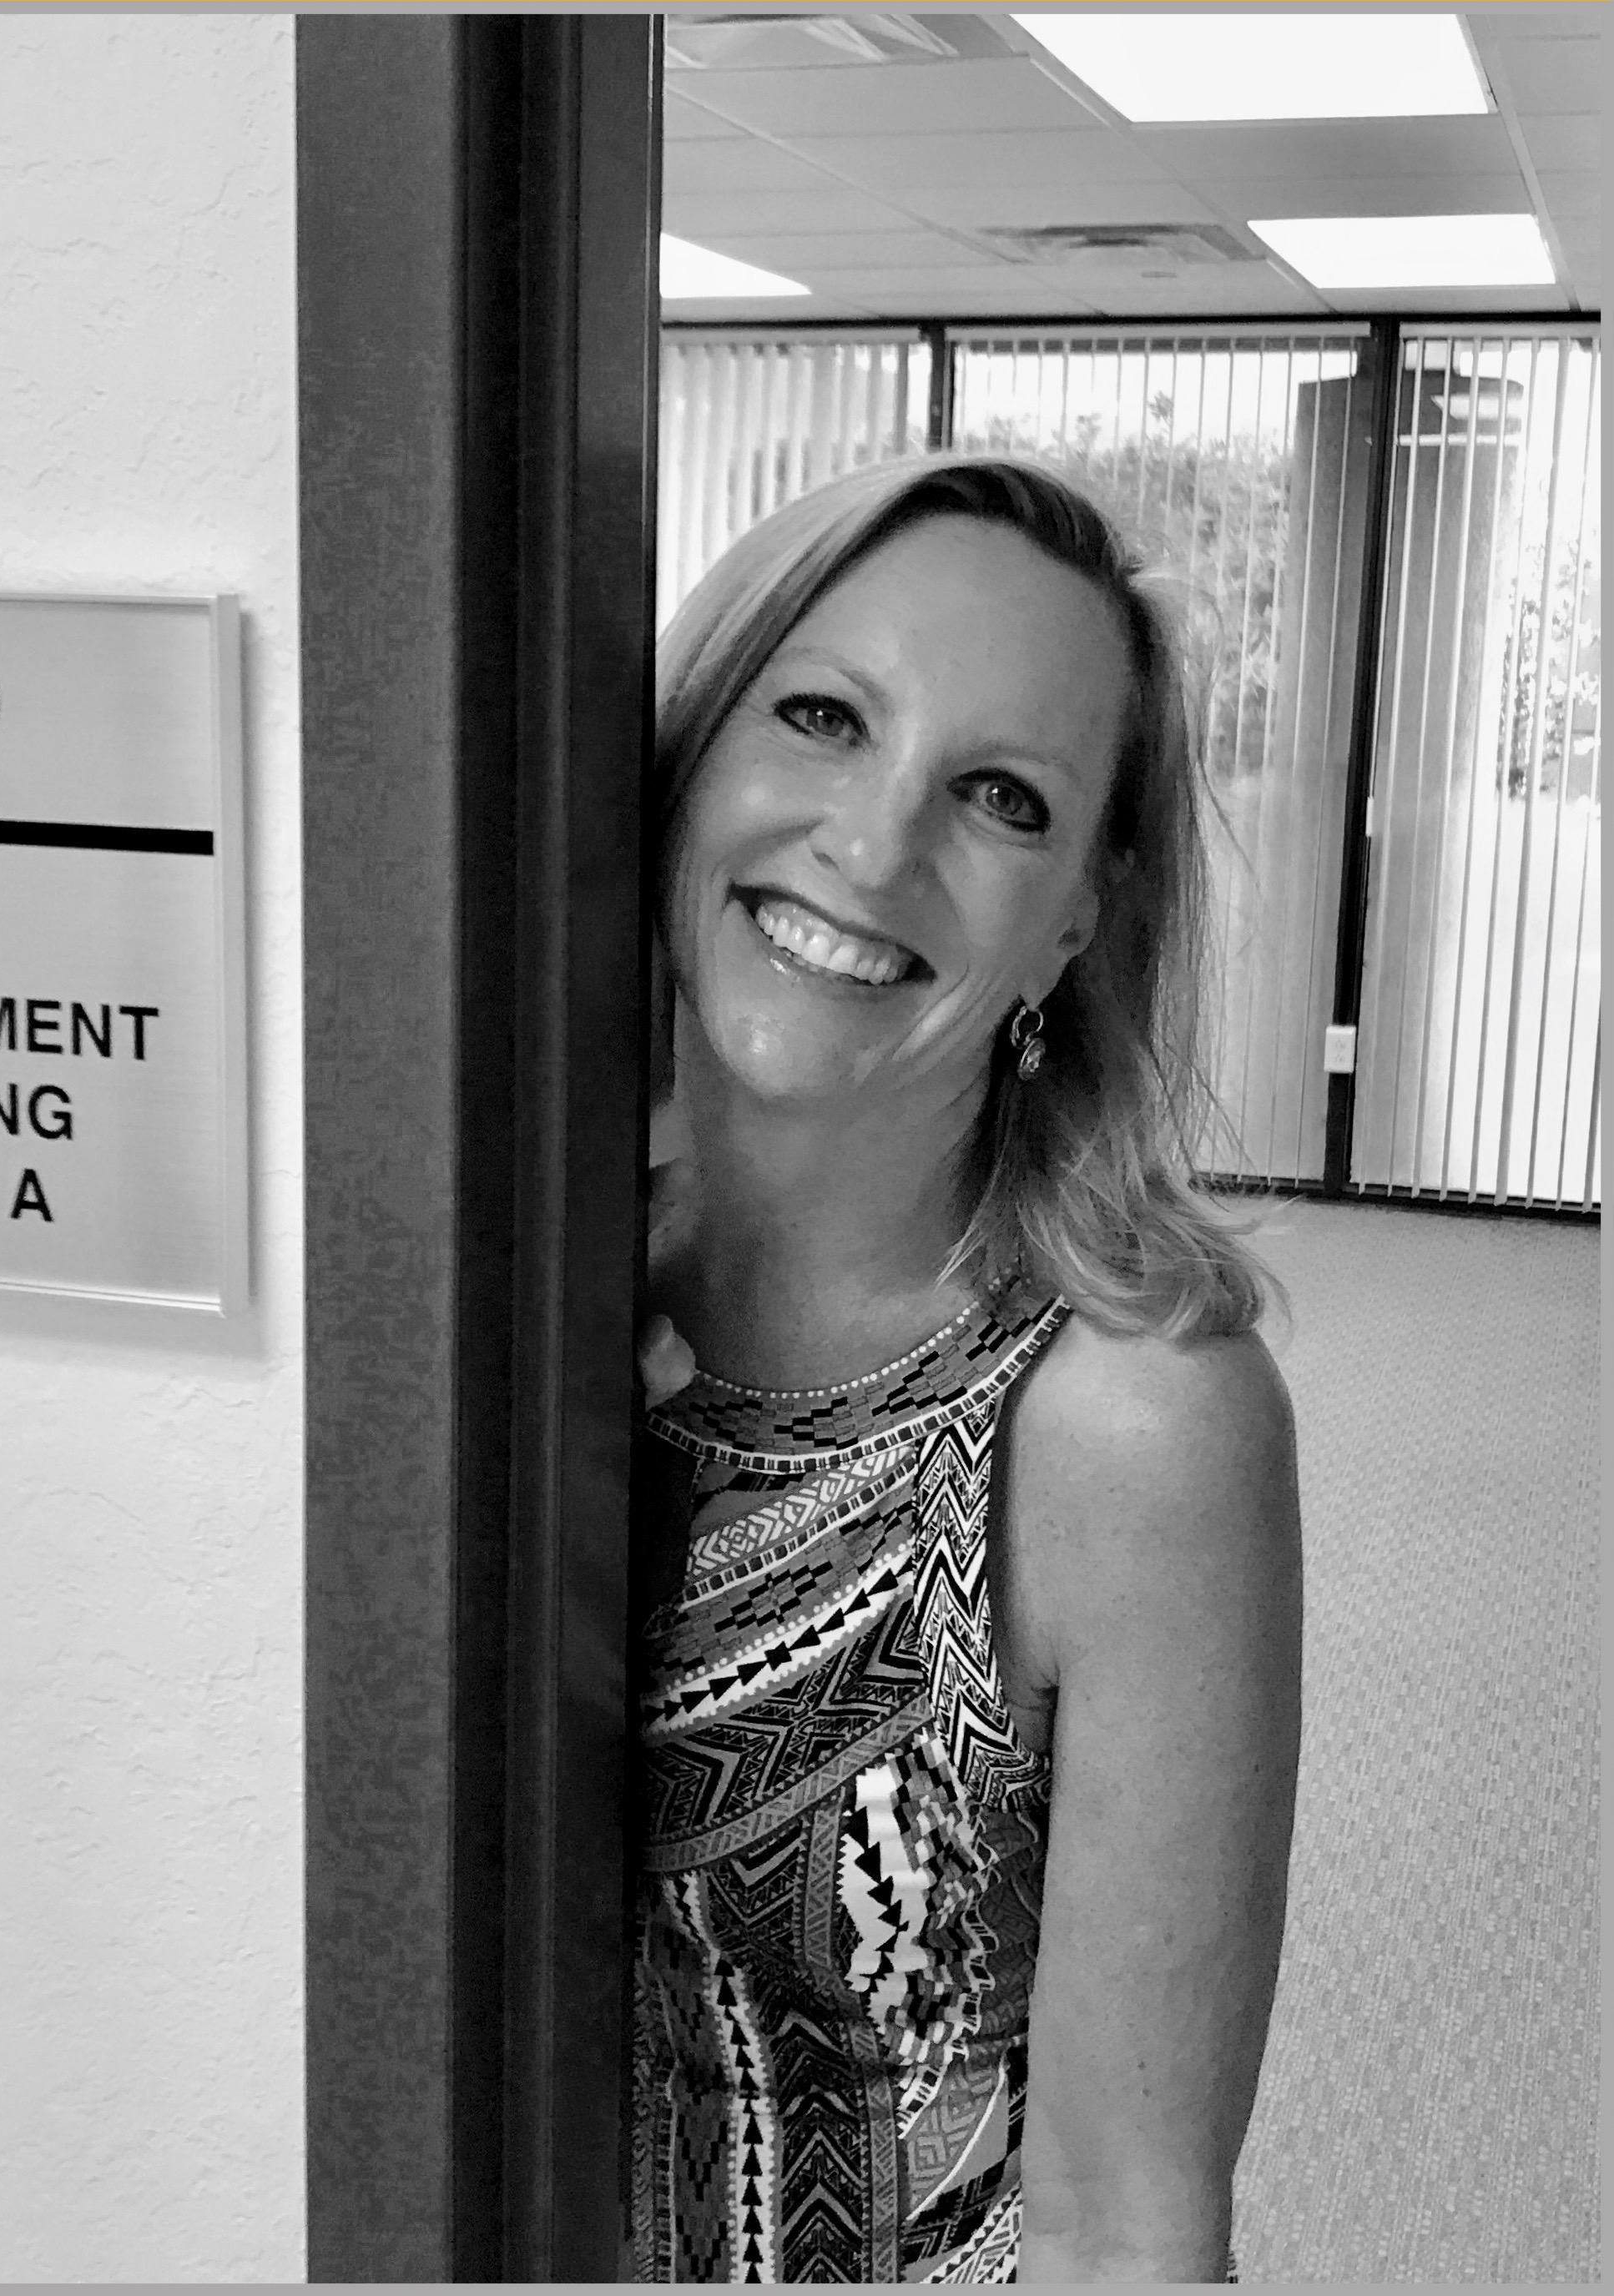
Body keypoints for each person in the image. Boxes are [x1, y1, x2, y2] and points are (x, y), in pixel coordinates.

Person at [626, 456, 1303, 2285]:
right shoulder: (508, 1283)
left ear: (1074, 921)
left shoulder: (1127, 1414)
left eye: (998, 796)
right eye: (823, 716)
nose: (871, 840)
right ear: (692, 752)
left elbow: (1128, 2223)